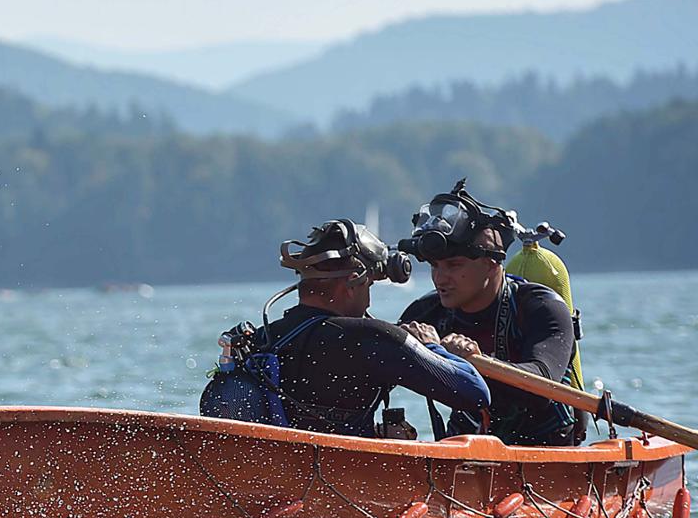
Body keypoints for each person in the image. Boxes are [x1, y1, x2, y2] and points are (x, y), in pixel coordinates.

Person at [200, 219, 490, 438]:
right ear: (354, 282)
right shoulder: (372, 339)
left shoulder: (263, 340)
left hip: (280, 478)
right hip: (341, 486)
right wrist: (433, 346)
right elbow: (475, 394)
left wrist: (377, 434)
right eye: (370, 285)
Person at [395, 181, 586, 446]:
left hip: (547, 451)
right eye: (434, 266)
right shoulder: (427, 313)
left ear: (491, 263)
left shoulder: (541, 308)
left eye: (454, 265)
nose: (440, 278)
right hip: (466, 451)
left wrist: (471, 361)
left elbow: (542, 386)